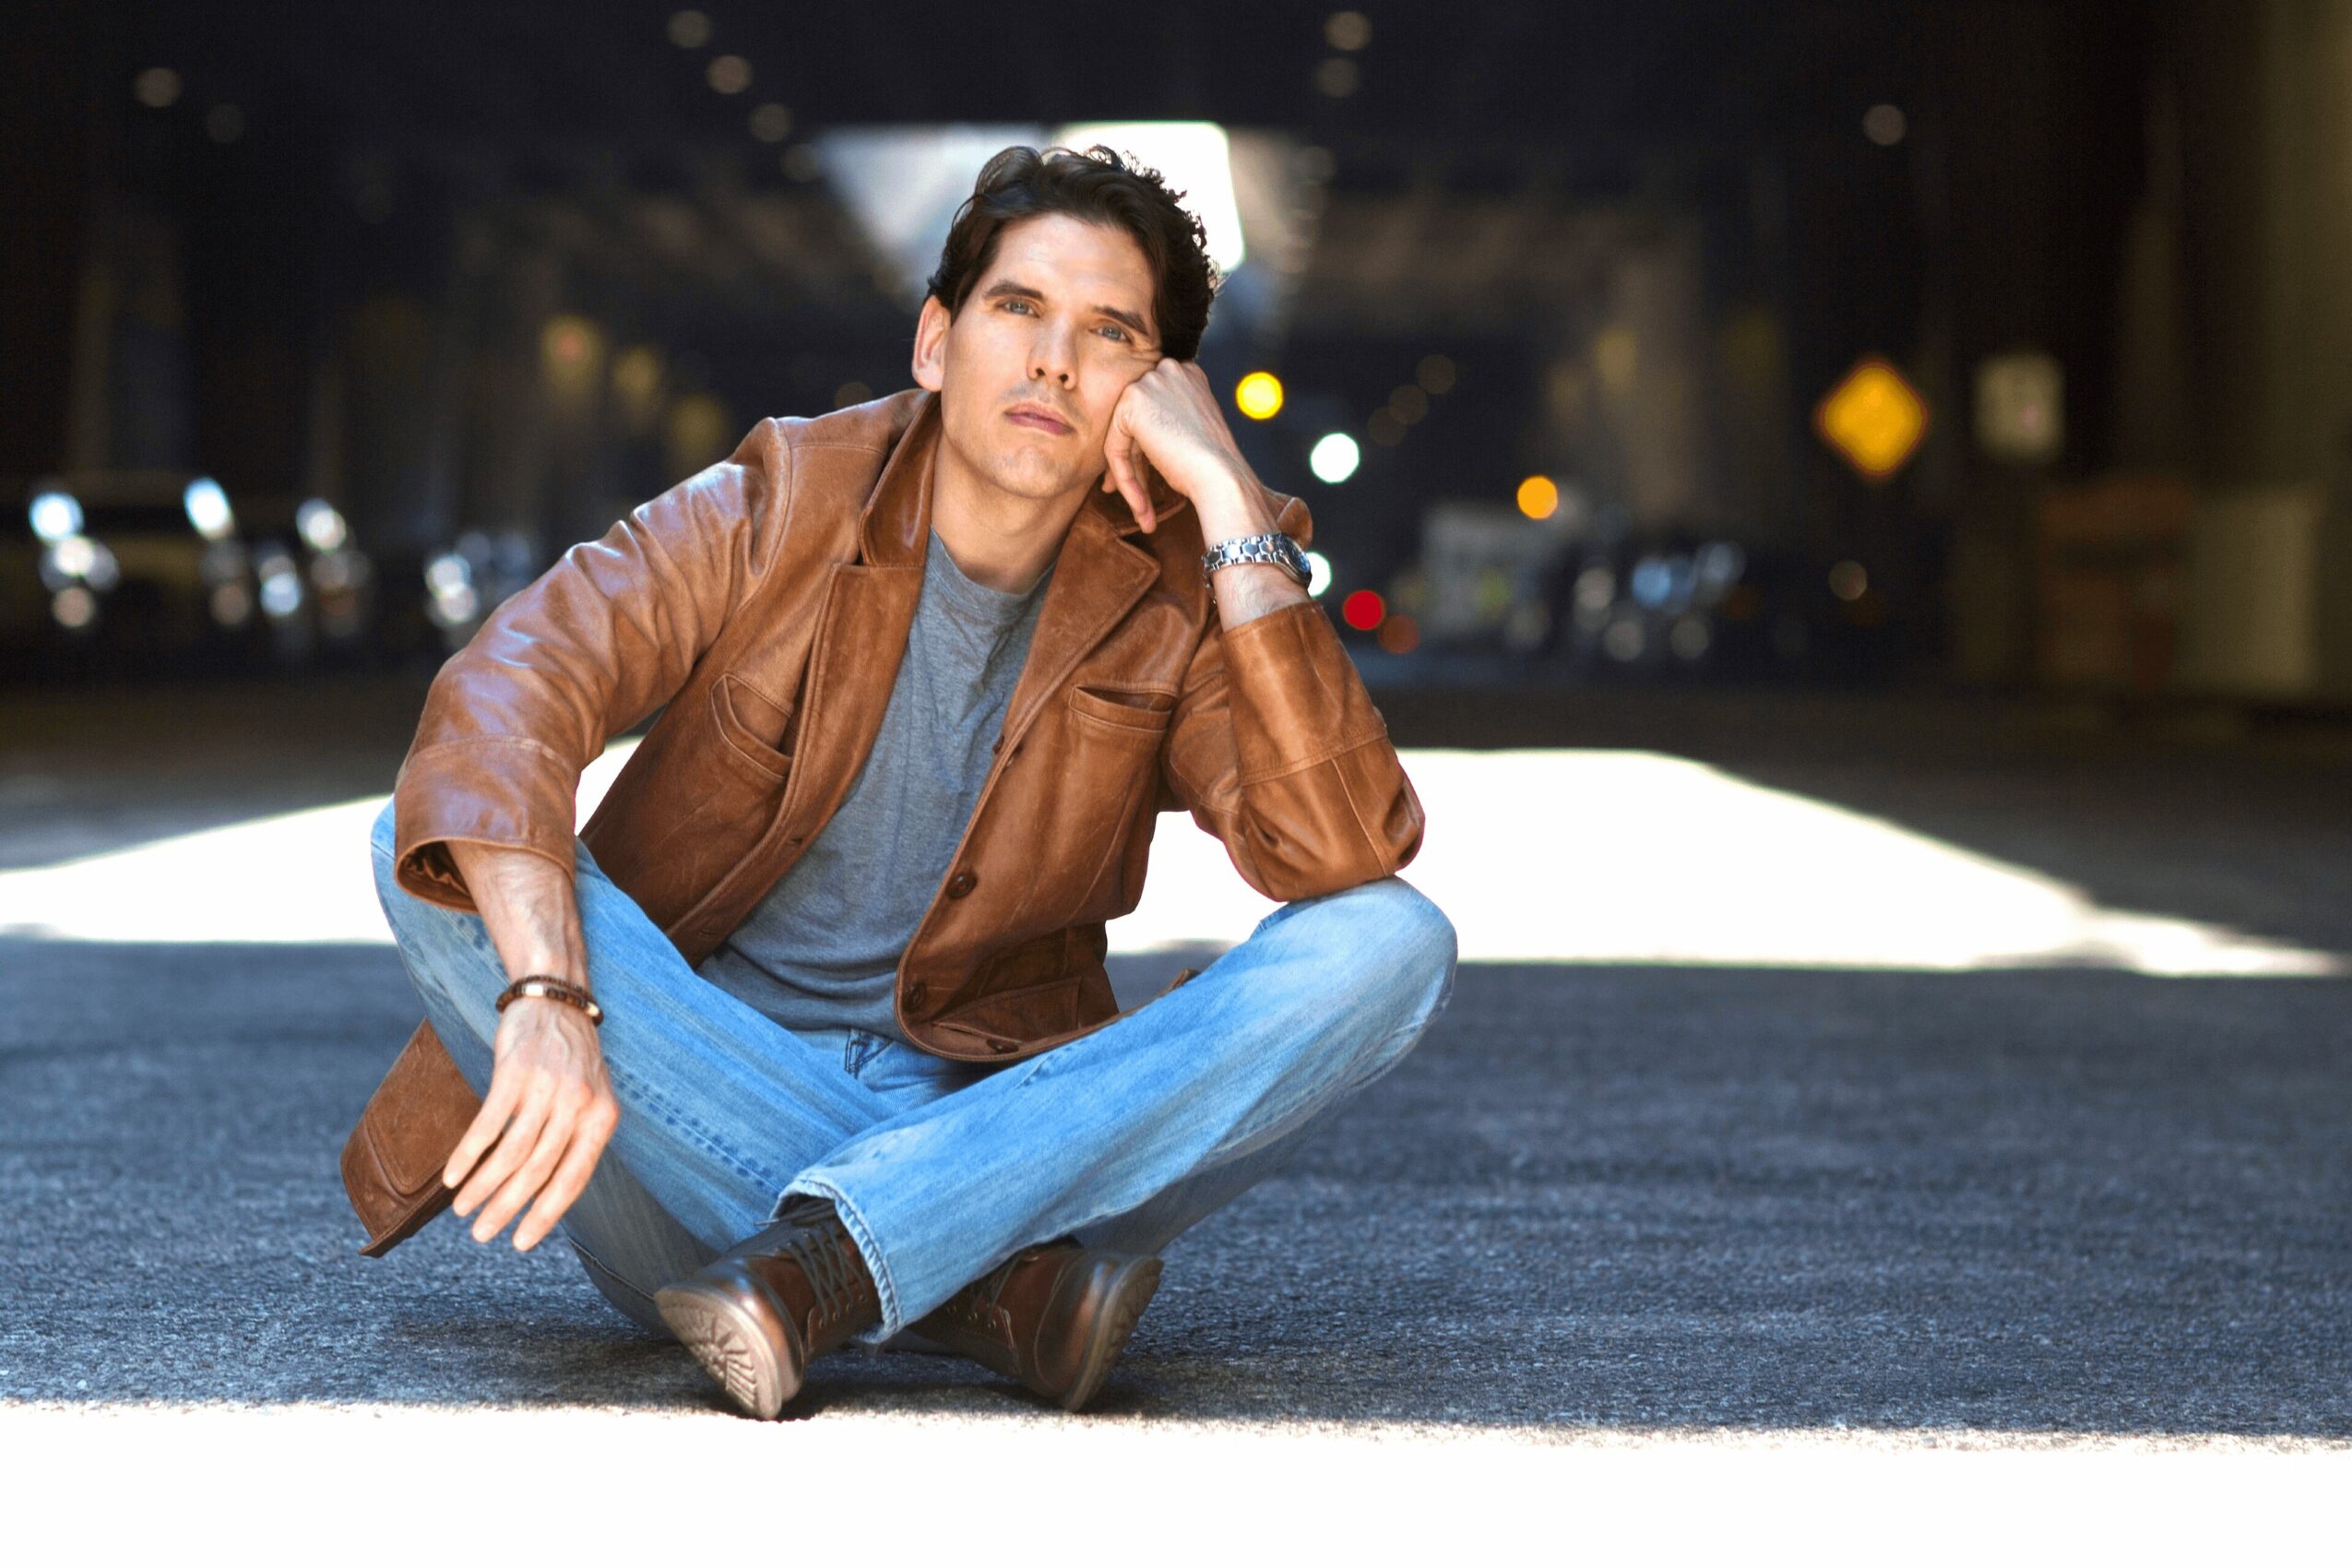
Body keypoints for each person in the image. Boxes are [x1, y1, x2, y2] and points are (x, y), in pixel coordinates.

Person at [354, 144, 1457, 1420]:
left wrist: (1227, 501)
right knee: (422, 845)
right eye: (1018, 307)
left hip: (984, 1104)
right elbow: (512, 686)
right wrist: (548, 991)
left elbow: (1339, 845)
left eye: (1109, 334)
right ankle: (972, 1282)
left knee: (1390, 942)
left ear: (1157, 394)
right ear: (936, 342)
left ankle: (836, 1259)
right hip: (687, 1122)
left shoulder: (1172, 583)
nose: (1054, 361)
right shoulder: (781, 500)